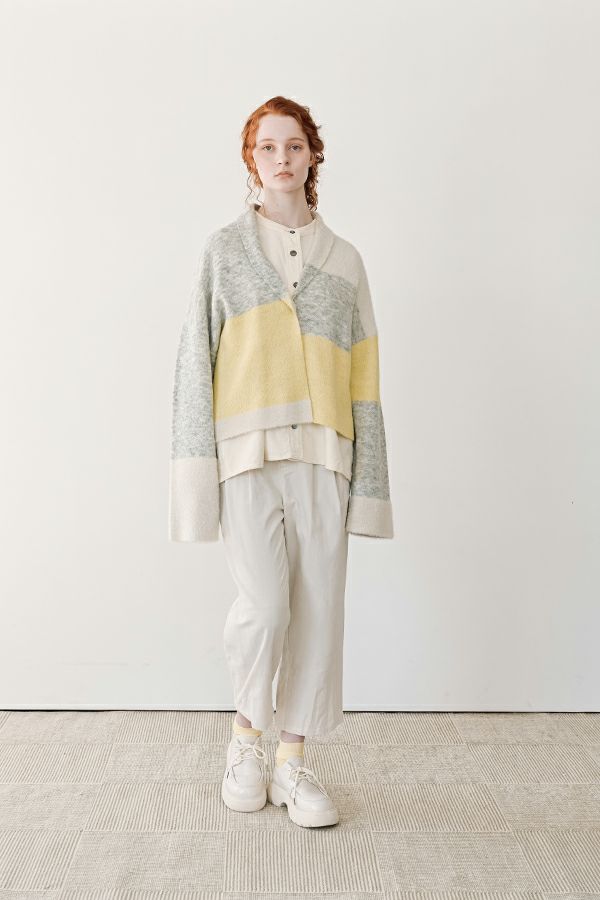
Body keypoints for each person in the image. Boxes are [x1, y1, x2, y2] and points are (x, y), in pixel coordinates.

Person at [169, 95, 393, 828]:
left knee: (320, 610)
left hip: (326, 454)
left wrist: (369, 488)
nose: (282, 158)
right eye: (267, 147)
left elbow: (364, 381)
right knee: (265, 608)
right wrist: (194, 483)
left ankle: (292, 759)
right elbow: (194, 366)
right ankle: (246, 742)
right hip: (247, 454)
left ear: (313, 155)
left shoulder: (346, 261)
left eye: (294, 145)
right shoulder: (222, 252)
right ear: (251, 159)